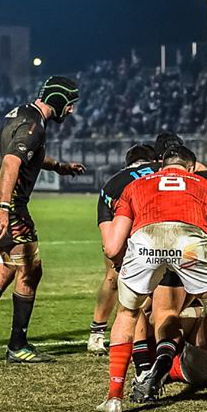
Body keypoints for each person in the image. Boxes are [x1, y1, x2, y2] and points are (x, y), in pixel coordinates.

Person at [98, 145, 207, 412]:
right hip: (191, 244)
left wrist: (125, 261)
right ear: (190, 167)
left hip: (147, 242)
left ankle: (114, 399)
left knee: (128, 314)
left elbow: (112, 246)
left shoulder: (137, 185)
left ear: (161, 166)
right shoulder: (202, 184)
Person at [0, 76, 85, 365]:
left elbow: (25, 154)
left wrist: (59, 166)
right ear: (59, 100)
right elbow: (12, 162)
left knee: (4, 270)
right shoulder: (35, 126)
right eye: (71, 104)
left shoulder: (20, 113)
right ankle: (17, 345)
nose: (72, 111)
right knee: (31, 270)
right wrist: (4, 207)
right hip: (7, 208)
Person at [88, 143, 161, 355]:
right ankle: (150, 338)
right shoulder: (161, 171)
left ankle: (97, 334)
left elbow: (109, 240)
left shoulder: (113, 183)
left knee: (113, 277)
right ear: (154, 159)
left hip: (122, 224)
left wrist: (119, 261)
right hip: (158, 227)